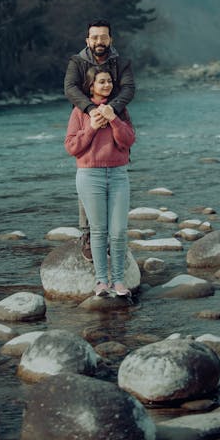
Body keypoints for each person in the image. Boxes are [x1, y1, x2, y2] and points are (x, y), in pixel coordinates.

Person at [64, 19, 135, 260]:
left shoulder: (121, 63)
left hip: (115, 117)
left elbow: (128, 89)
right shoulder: (77, 62)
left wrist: (111, 110)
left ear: (110, 40)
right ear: (88, 40)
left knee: (117, 174)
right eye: (94, 37)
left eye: (103, 37)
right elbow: (70, 88)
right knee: (89, 175)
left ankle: (114, 238)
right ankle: (88, 234)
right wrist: (90, 110)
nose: (99, 42)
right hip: (87, 117)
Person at [64, 65, 136, 297]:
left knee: (118, 231)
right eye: (101, 82)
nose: (107, 85)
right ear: (91, 86)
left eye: (109, 81)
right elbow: (72, 146)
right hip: (89, 176)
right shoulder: (79, 111)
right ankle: (101, 282)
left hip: (118, 175)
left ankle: (118, 282)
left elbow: (128, 141)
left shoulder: (121, 110)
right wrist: (93, 127)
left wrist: (113, 119)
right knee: (98, 230)